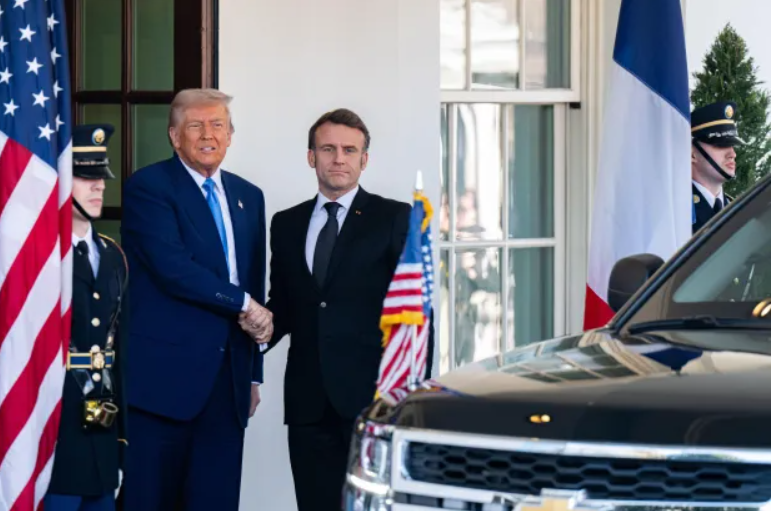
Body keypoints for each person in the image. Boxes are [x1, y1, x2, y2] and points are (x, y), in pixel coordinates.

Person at [257, 108, 434, 511]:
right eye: (328, 149)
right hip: (307, 402)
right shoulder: (285, 223)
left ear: (364, 160)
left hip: (375, 399)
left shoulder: (395, 218)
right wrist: (251, 335)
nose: (339, 158)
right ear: (311, 156)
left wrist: (414, 392)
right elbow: (283, 306)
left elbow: (418, 312)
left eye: (349, 150)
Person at [119, 88, 273, 511]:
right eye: (196, 126)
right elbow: (174, 269)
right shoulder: (148, 187)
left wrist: (253, 374)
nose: (208, 134)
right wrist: (244, 304)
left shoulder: (249, 196)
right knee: (149, 501)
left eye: (218, 125)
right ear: (174, 136)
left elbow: (252, 282)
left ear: (230, 135)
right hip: (162, 385)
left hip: (229, 385)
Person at [44, 125, 128, 511]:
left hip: (102, 430)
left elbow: (120, 350)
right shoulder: (42, 256)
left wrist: (122, 438)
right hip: (55, 431)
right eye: (85, 177)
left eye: (102, 177)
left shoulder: (113, 256)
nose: (99, 186)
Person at [691, 100, 744, 233]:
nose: (732, 154)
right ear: (692, 154)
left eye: (732, 145)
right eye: (721, 145)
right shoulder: (676, 210)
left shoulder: (738, 209)